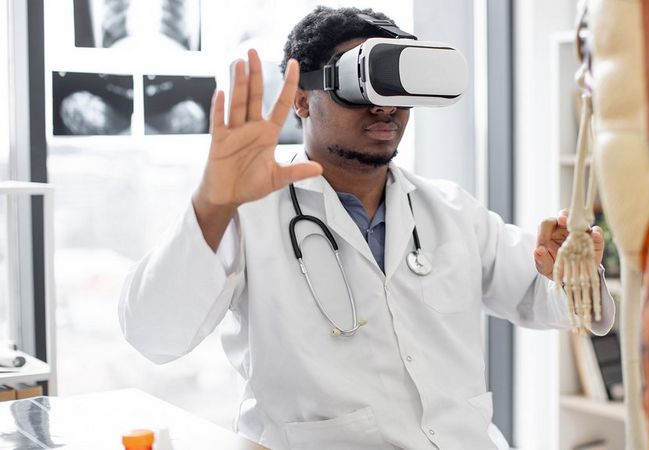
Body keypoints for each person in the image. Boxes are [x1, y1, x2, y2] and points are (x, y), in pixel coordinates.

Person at [119, 6, 615, 450]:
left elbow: (550, 300)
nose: (384, 106)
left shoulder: (450, 210)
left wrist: (571, 271)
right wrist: (212, 203)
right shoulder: (247, 215)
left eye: (396, 84)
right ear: (301, 100)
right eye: (360, 84)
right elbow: (153, 335)